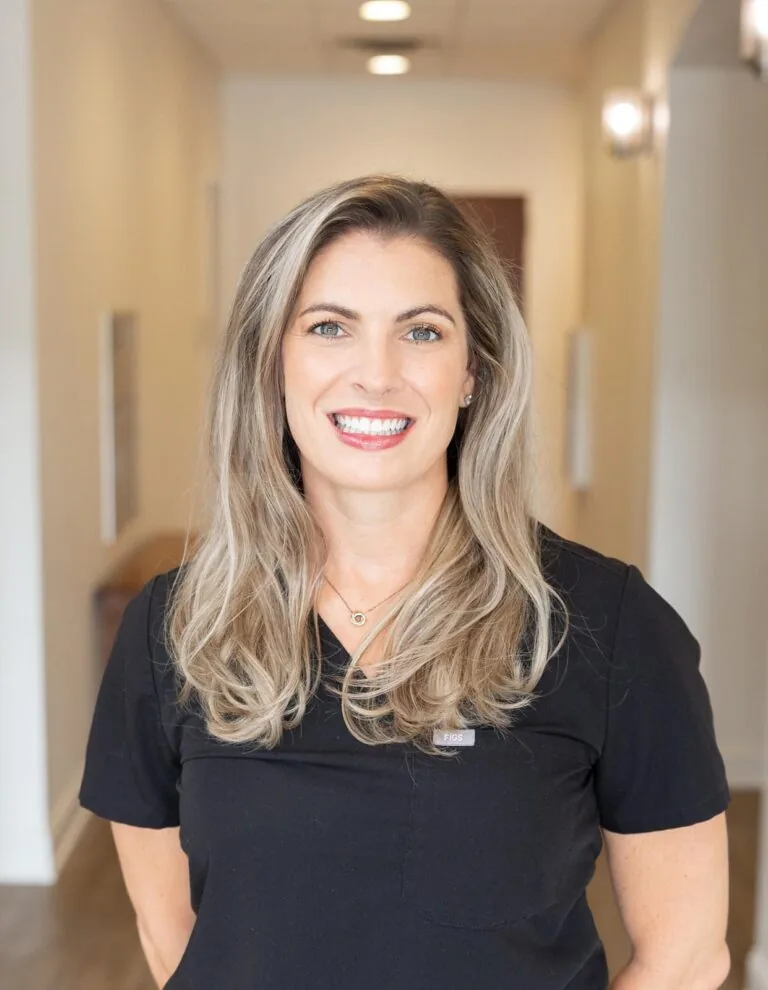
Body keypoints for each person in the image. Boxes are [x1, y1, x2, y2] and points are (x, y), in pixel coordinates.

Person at [79, 174, 731, 990]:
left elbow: (687, 957)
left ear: (473, 371)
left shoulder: (609, 624)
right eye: (329, 327)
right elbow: (175, 938)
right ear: (271, 363)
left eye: (421, 332)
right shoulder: (174, 627)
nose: (376, 375)